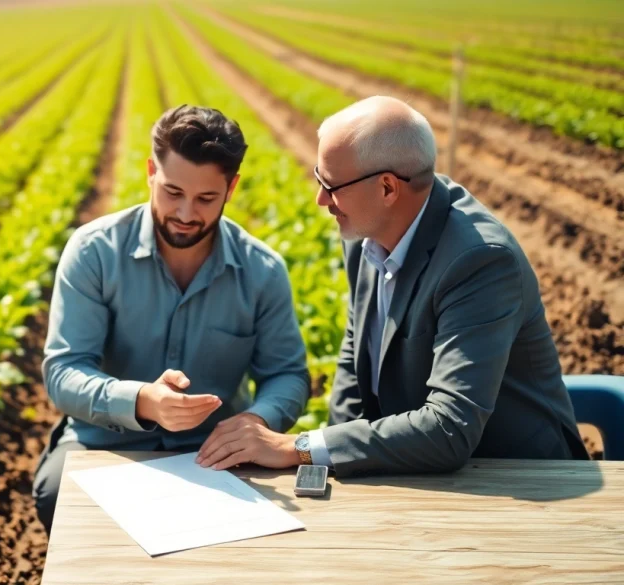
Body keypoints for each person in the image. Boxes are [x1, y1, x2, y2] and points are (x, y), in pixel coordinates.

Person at [196, 95, 588, 476]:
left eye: (330, 185)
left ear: (387, 188)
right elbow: (355, 362)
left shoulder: (480, 261)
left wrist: (298, 447)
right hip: (418, 472)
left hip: (517, 478)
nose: (320, 199)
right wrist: (322, 463)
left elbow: (450, 428)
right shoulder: (367, 231)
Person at [32, 105, 311, 533]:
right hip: (108, 441)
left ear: (231, 189)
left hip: (214, 450)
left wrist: (257, 421)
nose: (184, 213)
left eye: (205, 199)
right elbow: (63, 372)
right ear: (150, 172)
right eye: (172, 191)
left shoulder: (262, 271)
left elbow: (288, 374)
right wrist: (142, 399)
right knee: (58, 496)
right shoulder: (94, 252)